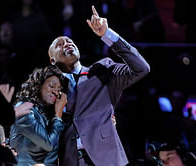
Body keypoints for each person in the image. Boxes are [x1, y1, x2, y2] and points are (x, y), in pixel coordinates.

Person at [46, 5, 150, 166]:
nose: (66, 44)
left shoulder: (102, 70)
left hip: (107, 159)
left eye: (69, 41)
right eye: (59, 44)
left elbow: (141, 68)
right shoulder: (48, 90)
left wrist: (107, 35)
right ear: (52, 60)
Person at [9, 65, 68, 166]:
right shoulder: (24, 109)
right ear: (39, 84)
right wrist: (58, 115)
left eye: (59, 90)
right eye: (51, 86)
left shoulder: (45, 114)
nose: (55, 92)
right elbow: (48, 144)